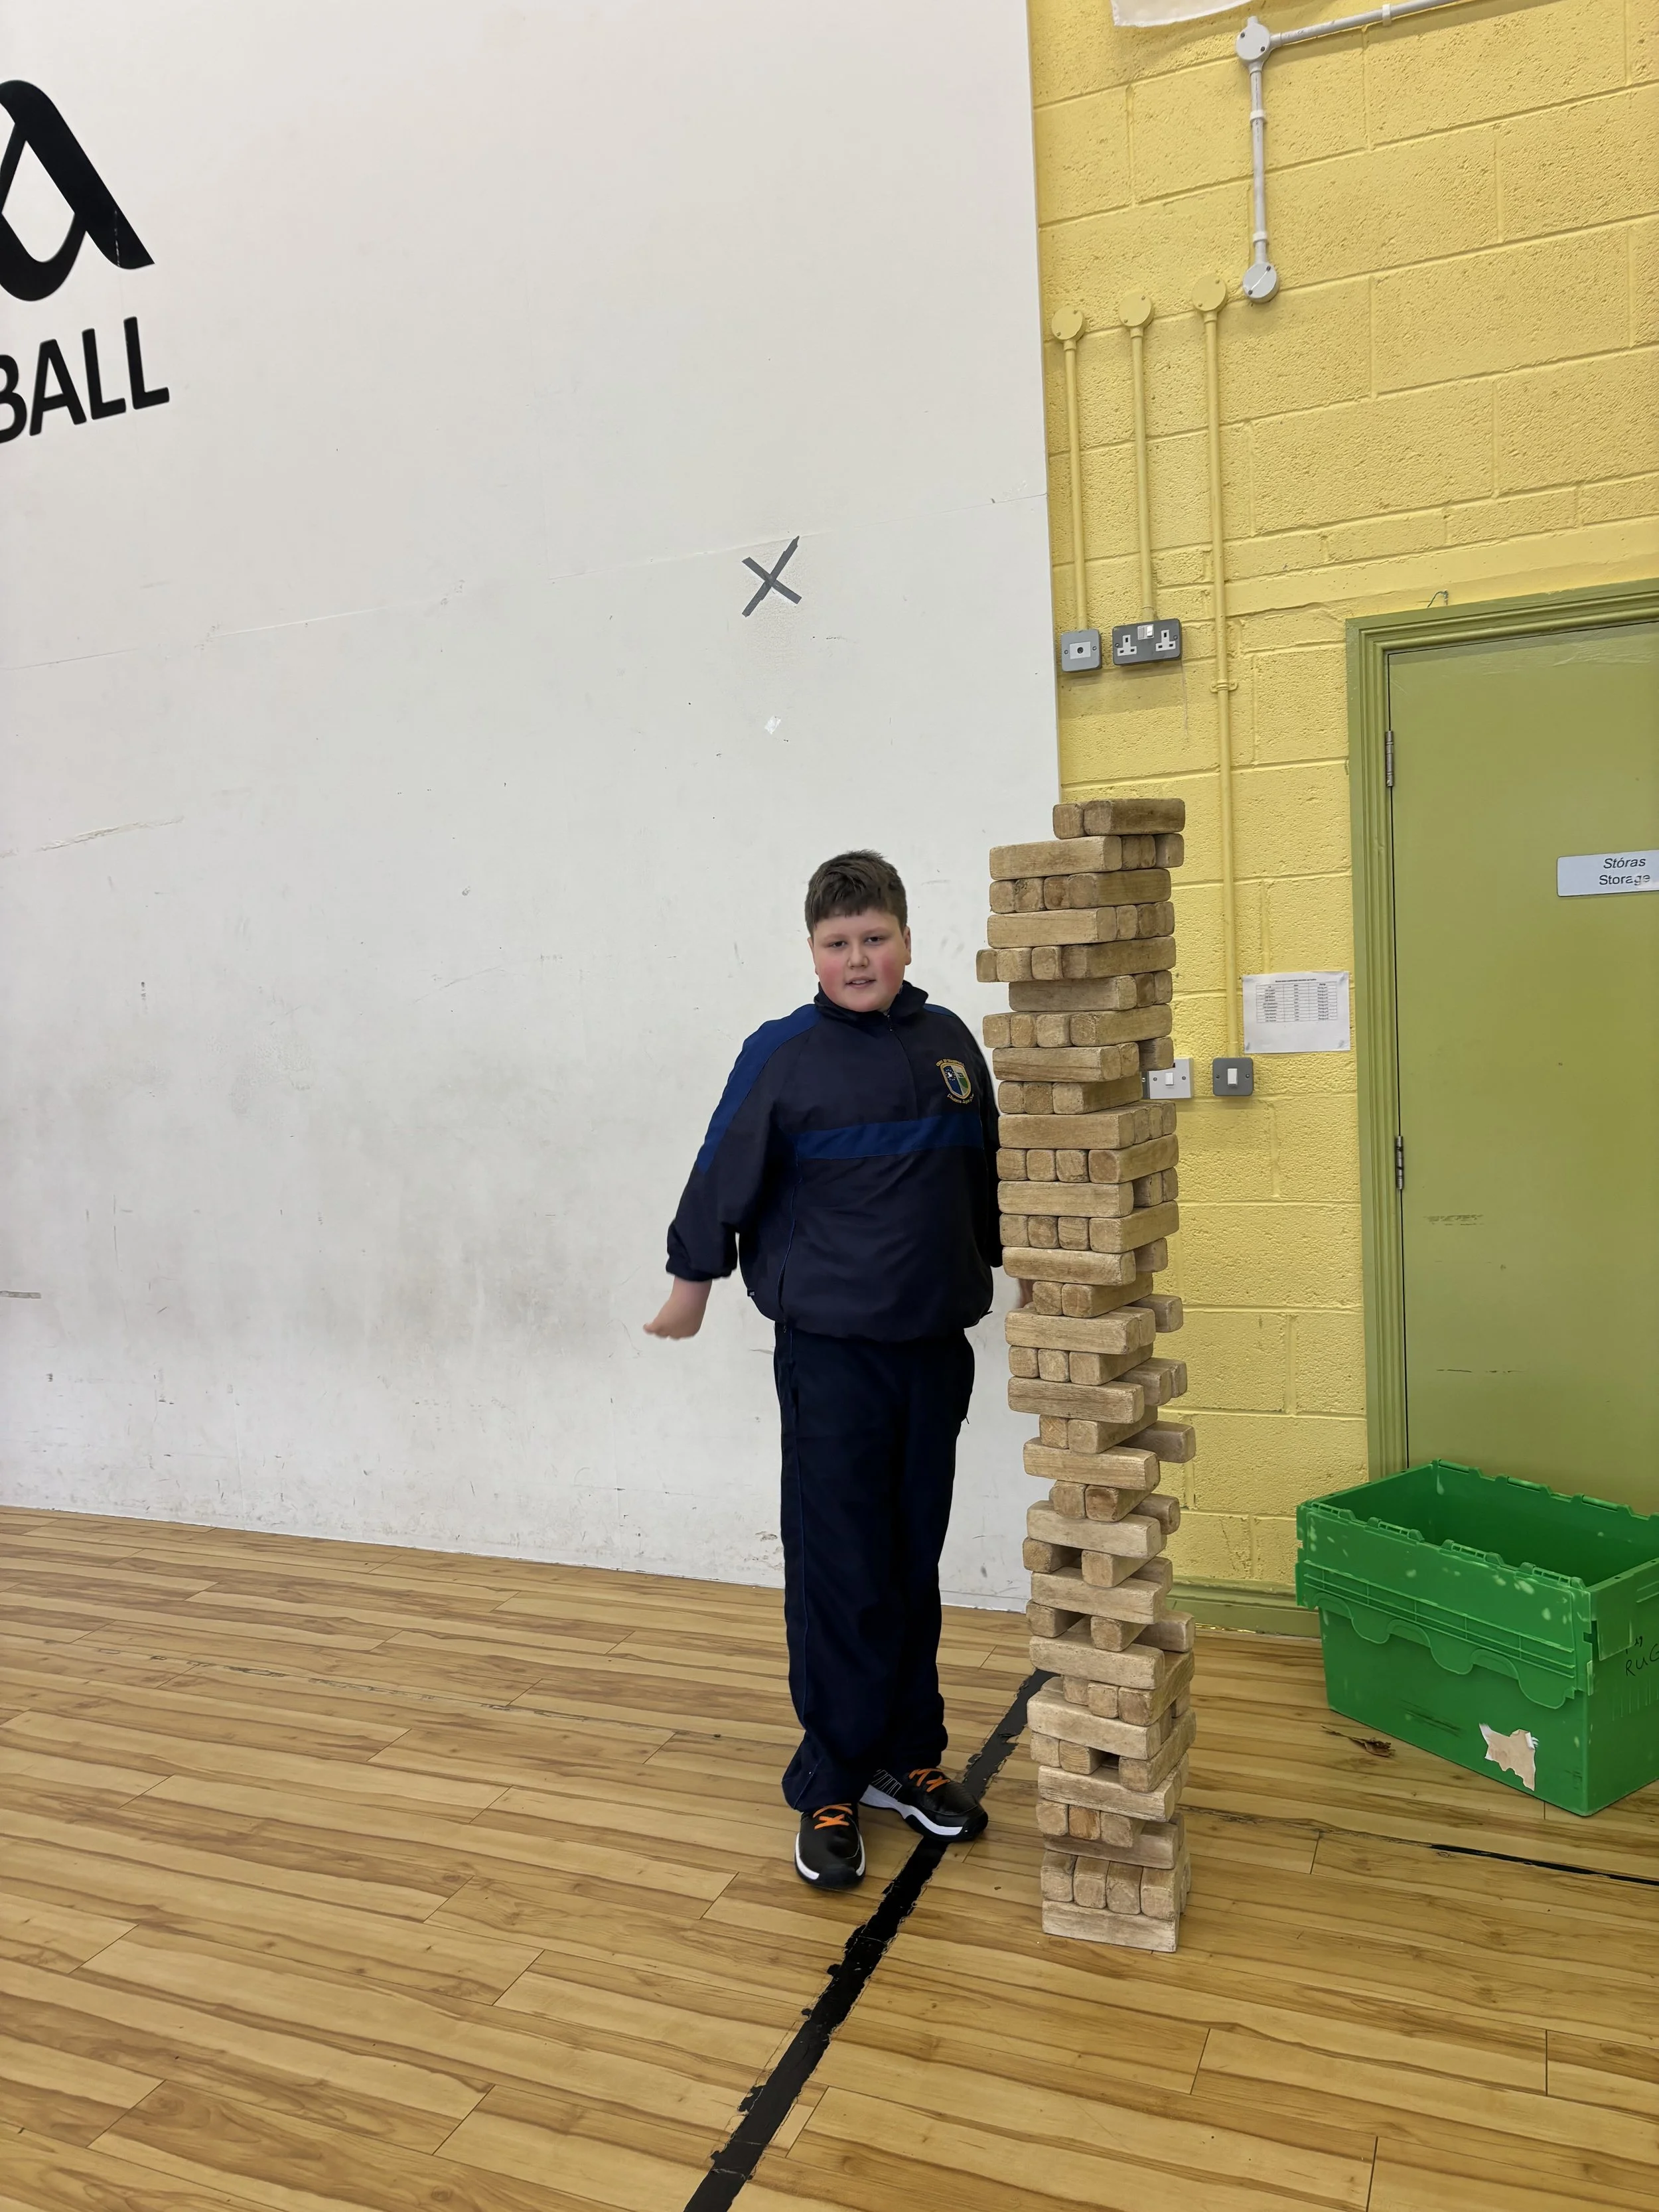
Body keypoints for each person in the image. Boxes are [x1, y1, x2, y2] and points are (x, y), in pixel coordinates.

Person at [646, 849, 1007, 1889]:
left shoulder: (951, 1046)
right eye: (838, 943)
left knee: (910, 1557)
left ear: (907, 940)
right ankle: (833, 1779)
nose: (858, 958)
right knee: (841, 1564)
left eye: (875, 939)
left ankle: (907, 1757)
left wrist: (1015, 1261)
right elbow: (721, 1168)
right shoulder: (783, 1055)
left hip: (933, 1351)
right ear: (812, 953)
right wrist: (690, 1282)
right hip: (832, 1359)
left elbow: (985, 1176)